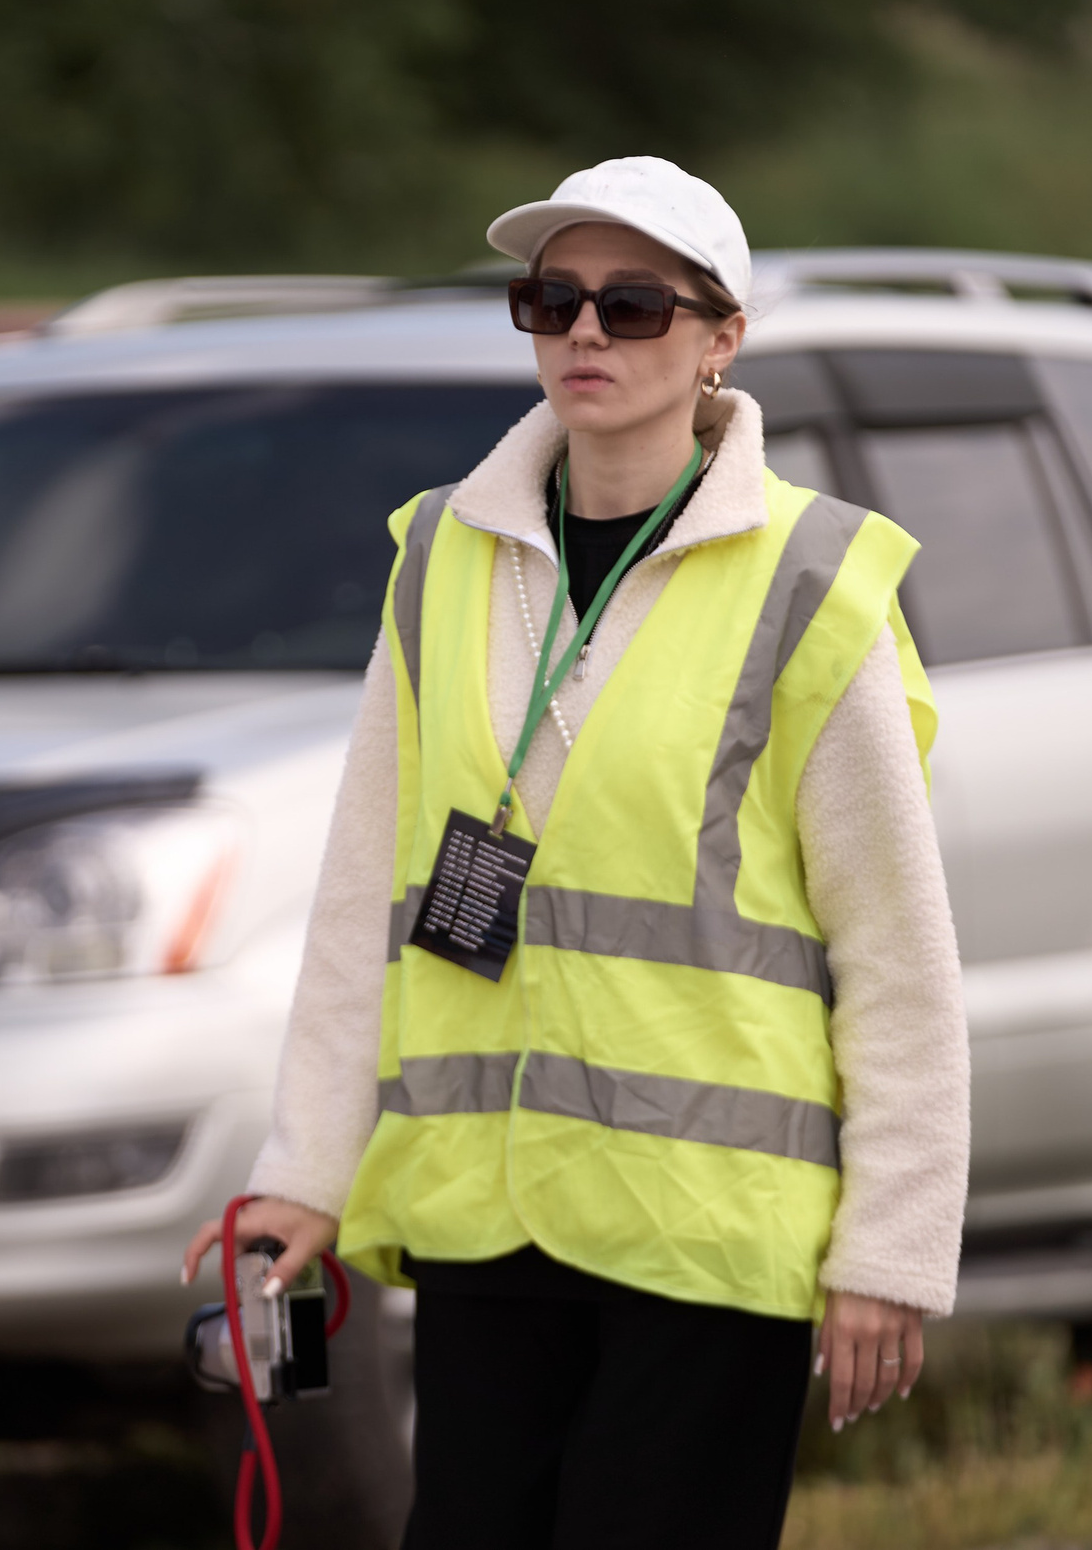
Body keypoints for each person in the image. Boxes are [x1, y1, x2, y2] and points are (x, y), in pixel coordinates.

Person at [182, 156, 968, 1549]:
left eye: (633, 303)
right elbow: (365, 893)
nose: (587, 332)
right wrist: (303, 1171)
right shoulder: (441, 555)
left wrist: (891, 1247)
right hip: (490, 1218)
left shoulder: (811, 581)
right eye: (552, 300)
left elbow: (897, 952)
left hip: (708, 1232)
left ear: (722, 336)